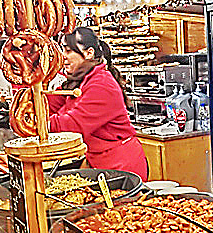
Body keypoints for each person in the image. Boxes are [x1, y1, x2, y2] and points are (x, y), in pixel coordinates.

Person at [48, 27, 148, 180]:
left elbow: (73, 125)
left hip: (120, 165)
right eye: (63, 50)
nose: (63, 57)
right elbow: (50, 106)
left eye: (69, 51)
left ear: (89, 53)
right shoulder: (77, 82)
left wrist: (38, 125)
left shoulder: (102, 84)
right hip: (97, 161)